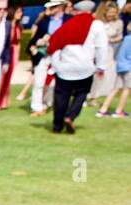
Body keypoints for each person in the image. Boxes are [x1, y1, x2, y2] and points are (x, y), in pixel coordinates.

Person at [49, 0, 111, 131]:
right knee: (81, 94)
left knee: (61, 96)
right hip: (85, 67)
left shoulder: (67, 25)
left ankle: (57, 125)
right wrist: (101, 66)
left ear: (76, 11)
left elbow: (55, 45)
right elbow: (102, 48)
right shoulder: (97, 25)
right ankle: (70, 116)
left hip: (65, 67)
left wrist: (56, 65)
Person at [29, 0, 70, 114]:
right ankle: (36, 106)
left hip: (61, 55)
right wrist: (39, 41)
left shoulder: (69, 20)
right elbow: (33, 40)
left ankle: (51, 103)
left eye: (54, 7)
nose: (51, 9)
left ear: (61, 7)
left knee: (59, 82)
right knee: (39, 81)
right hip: (43, 54)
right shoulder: (44, 21)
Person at [91, 1, 124, 99]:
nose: (112, 14)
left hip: (109, 50)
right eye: (110, 12)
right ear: (105, 12)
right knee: (94, 71)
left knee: (107, 72)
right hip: (96, 50)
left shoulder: (118, 22)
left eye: (114, 12)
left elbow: (120, 37)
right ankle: (90, 93)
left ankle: (100, 94)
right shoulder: (99, 22)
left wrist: (111, 40)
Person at [95, 27, 131, 113]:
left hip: (120, 65)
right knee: (127, 88)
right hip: (129, 66)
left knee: (115, 88)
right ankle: (119, 111)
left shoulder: (126, 38)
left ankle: (103, 109)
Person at [0, 5, 23, 109]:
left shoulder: (18, 27)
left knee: (8, 78)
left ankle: (4, 100)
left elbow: (18, 43)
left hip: (13, 52)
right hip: (5, 52)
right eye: (18, 12)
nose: (20, 14)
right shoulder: (6, 25)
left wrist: (17, 57)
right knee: (2, 77)